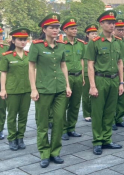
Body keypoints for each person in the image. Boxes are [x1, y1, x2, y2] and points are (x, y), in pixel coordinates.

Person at [29, 13, 72, 168]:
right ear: (44, 29)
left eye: (57, 27)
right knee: (42, 123)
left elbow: (63, 66)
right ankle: (44, 153)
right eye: (52, 27)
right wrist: (33, 89)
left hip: (60, 88)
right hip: (43, 89)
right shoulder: (37, 45)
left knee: (59, 120)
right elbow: (31, 66)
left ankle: (55, 152)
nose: (55, 30)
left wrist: (67, 85)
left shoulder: (61, 46)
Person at [85, 10, 124, 155]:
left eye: (113, 23)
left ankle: (107, 139)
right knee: (98, 112)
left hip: (114, 80)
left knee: (109, 111)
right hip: (100, 79)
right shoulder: (94, 42)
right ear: (101, 24)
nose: (112, 25)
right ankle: (97, 141)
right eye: (109, 23)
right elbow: (90, 65)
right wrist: (92, 86)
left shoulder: (117, 42)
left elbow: (120, 62)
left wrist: (121, 82)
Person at [0, 27, 31, 151]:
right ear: (13, 41)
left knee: (23, 116)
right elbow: (3, 73)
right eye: (20, 39)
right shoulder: (7, 56)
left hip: (27, 90)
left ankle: (20, 137)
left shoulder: (29, 55)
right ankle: (12, 138)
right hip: (12, 90)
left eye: (25, 40)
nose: (23, 42)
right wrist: (2, 89)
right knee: (12, 116)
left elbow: (33, 71)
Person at [61, 18, 86, 141]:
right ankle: (63, 129)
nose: (75, 30)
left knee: (75, 104)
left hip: (78, 77)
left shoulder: (80, 44)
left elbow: (82, 60)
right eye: (72, 28)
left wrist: (82, 76)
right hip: (66, 77)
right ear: (65, 30)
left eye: (76, 28)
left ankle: (71, 128)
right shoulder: (60, 44)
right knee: (63, 105)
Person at [112, 18, 124, 130]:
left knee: (123, 98)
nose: (121, 32)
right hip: (115, 73)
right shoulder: (113, 41)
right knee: (114, 98)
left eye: (123, 29)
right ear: (114, 30)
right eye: (119, 29)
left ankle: (119, 118)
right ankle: (112, 120)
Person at [82, 24, 98, 122]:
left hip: (97, 73)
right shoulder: (84, 46)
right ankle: (86, 113)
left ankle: (93, 111)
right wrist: (83, 75)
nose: (95, 35)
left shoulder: (98, 44)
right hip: (87, 73)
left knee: (95, 94)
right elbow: (83, 61)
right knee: (86, 95)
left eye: (96, 33)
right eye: (92, 34)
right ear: (87, 35)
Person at [0, 23, 6, 140]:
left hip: (3, 81)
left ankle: (0, 129)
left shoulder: (6, 48)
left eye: (1, 35)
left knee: (1, 107)